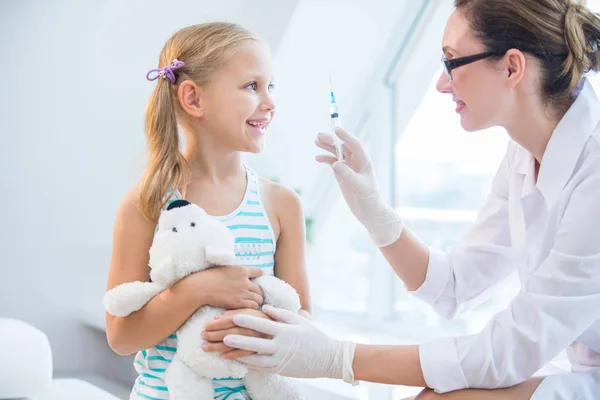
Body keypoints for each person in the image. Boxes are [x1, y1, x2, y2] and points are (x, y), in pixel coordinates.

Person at [203, 1, 600, 398]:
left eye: (452, 62)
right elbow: (455, 286)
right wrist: (373, 211)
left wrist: (337, 358)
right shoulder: (525, 152)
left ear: (513, 67)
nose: (442, 84)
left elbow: (507, 351)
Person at [104, 22, 311, 400]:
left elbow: (302, 323)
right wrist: (195, 291)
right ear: (193, 99)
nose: (269, 102)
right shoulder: (146, 204)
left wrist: (259, 329)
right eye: (252, 86)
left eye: (271, 86)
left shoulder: (281, 204)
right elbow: (121, 336)